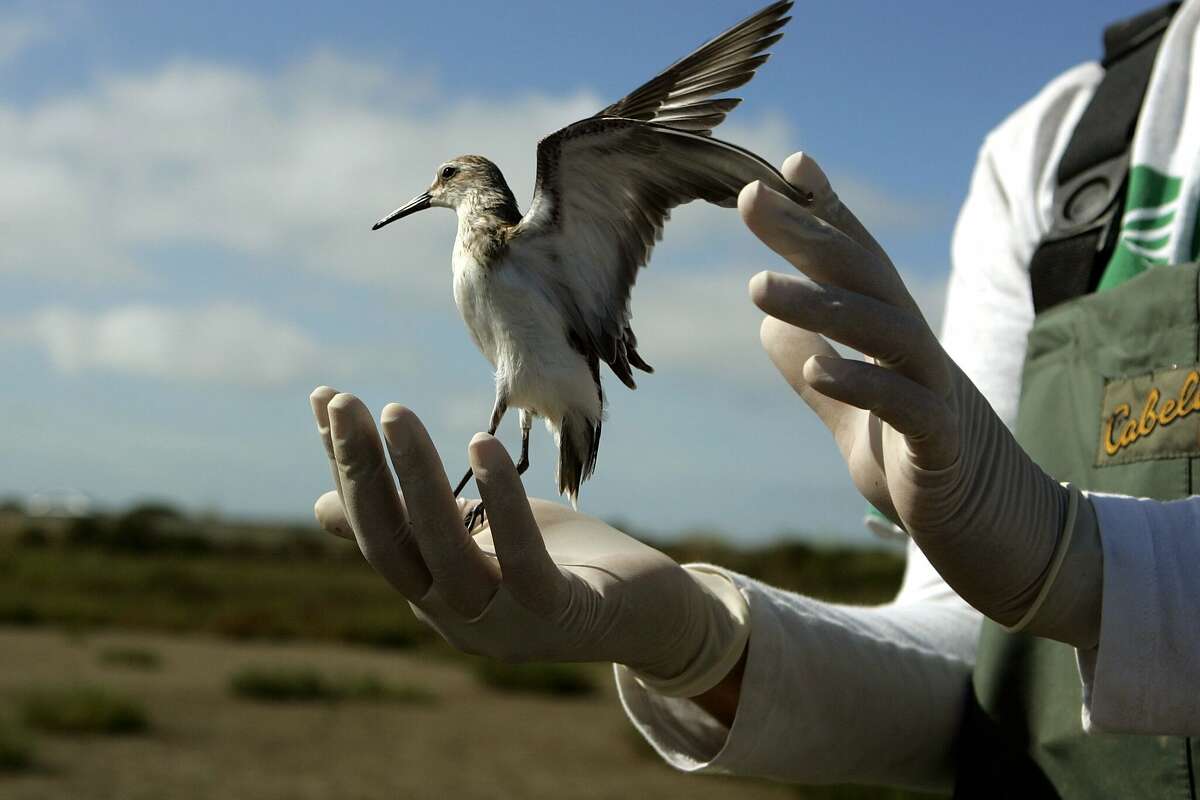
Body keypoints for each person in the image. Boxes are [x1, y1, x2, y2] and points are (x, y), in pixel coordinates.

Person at [308, 3, 1200, 794]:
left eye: (442, 181)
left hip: (559, 378)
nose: (427, 195)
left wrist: (1084, 568)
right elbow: (987, 672)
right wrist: (705, 644)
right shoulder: (1058, 148)